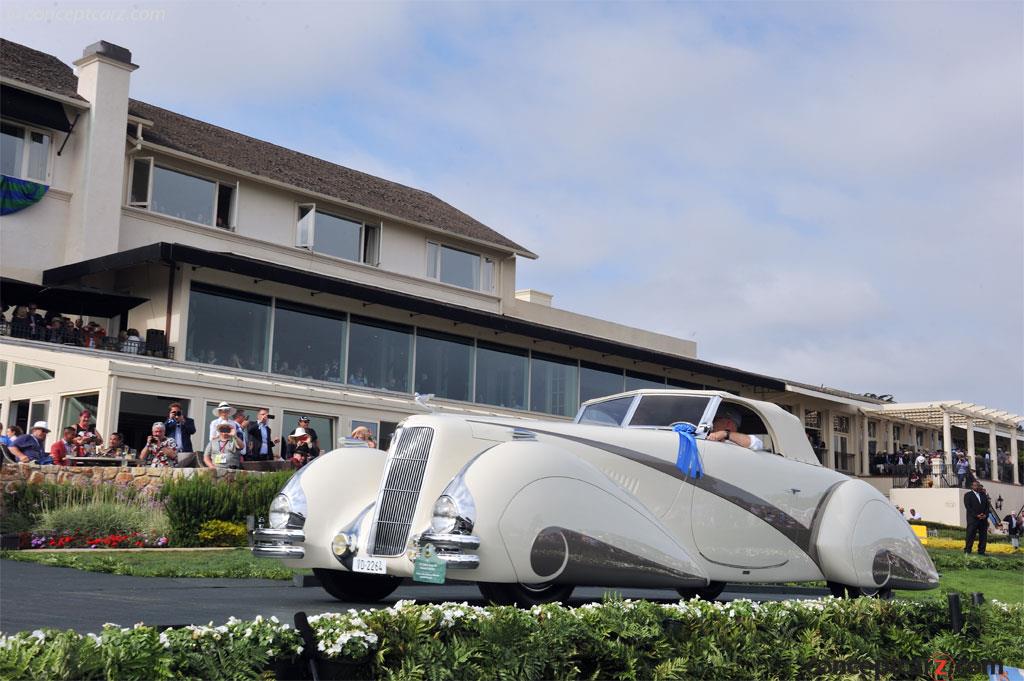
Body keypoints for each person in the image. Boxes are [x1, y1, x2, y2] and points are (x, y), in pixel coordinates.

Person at [963, 479, 992, 555]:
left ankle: (981, 551)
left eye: (978, 485)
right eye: (975, 485)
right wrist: (976, 515)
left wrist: (985, 515)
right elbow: (968, 507)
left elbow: (987, 507)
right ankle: (967, 551)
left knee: (983, 536)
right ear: (972, 486)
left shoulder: (983, 495)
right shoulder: (968, 495)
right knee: (970, 535)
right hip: (973, 519)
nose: (977, 487)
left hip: (983, 519)